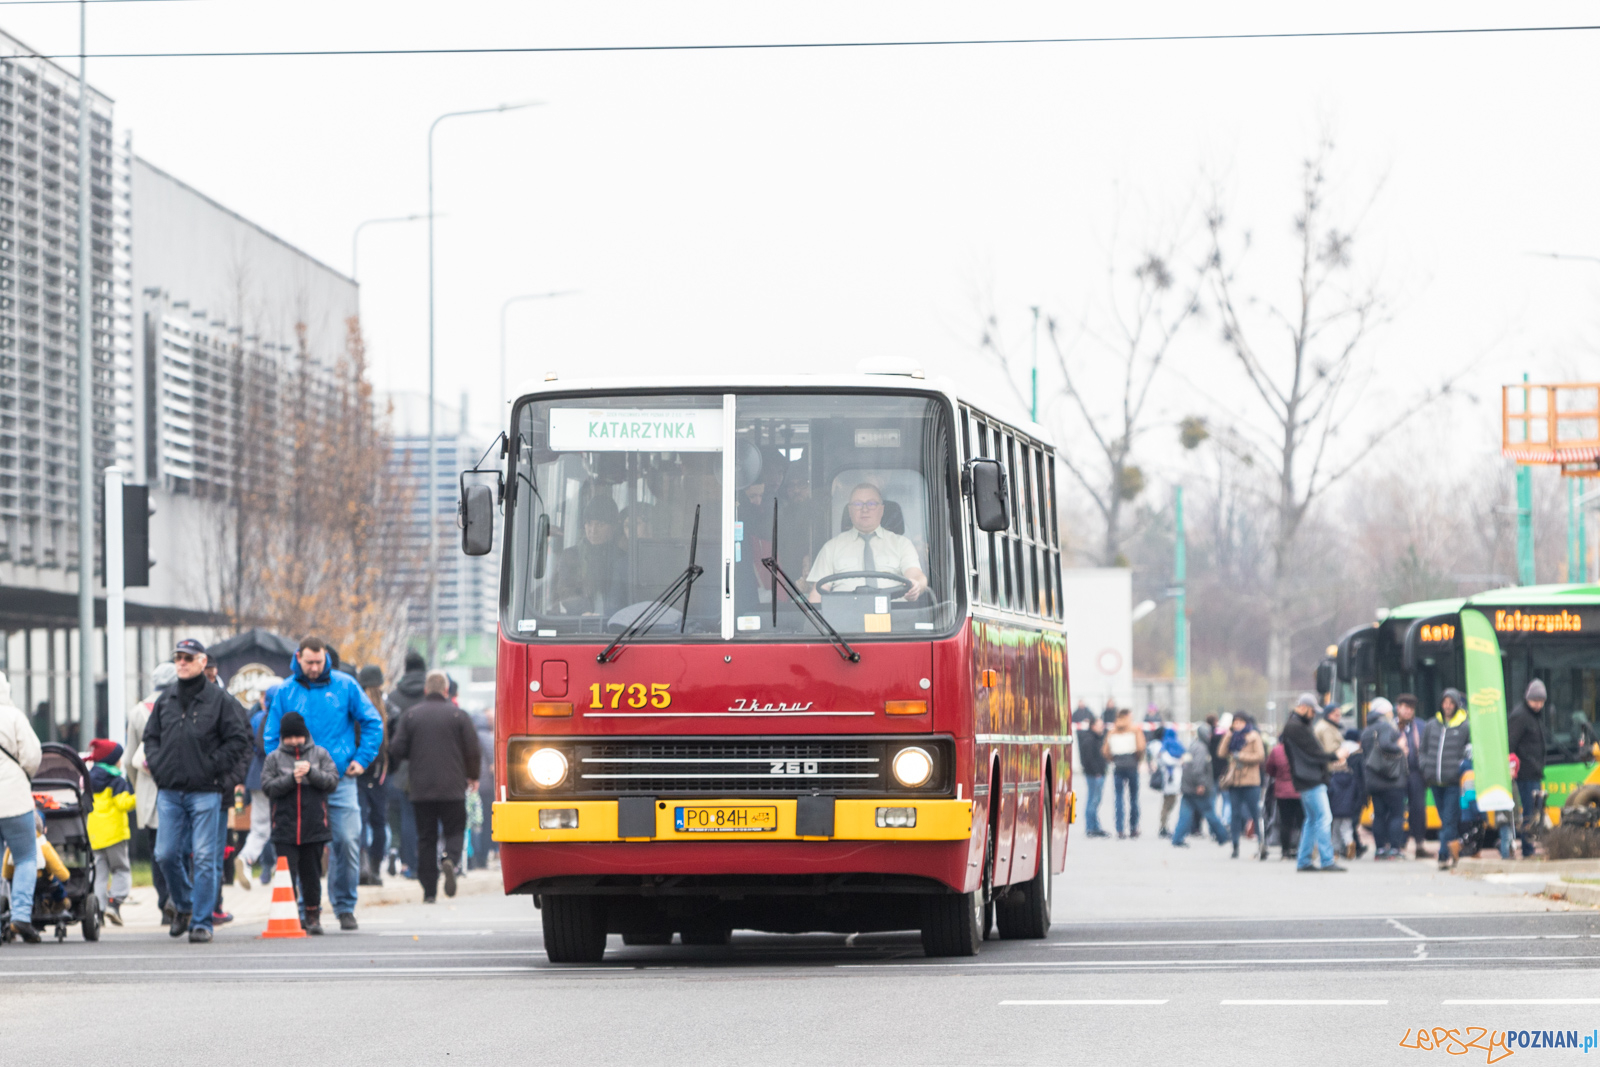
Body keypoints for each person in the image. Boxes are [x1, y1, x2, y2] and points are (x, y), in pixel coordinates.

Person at [264, 636, 383, 932]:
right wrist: (280, 769)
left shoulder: (345, 685)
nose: (315, 667)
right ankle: (307, 909)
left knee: (348, 841)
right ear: (298, 659)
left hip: (338, 777)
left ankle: (344, 906)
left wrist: (362, 759)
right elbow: (270, 735)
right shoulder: (286, 691)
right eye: (309, 662)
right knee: (304, 847)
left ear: (325, 659)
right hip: (300, 782)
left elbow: (372, 721)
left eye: (319, 662)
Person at [142, 638, 250, 942]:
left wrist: (213, 769)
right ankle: (185, 905)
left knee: (204, 857)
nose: (182, 662)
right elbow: (151, 737)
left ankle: (202, 921)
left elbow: (238, 741)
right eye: (178, 657)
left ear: (203, 662)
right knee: (165, 854)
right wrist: (158, 764)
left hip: (206, 791)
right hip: (170, 790)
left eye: (188, 657)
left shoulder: (220, 700)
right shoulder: (167, 699)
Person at [388, 670, 482, 903]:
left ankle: (429, 891)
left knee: (426, 838)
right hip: (452, 787)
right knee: (454, 830)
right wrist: (472, 776)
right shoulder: (459, 716)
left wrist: (400, 764)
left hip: (421, 788)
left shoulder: (411, 716)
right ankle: (450, 858)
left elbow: (397, 749)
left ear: (425, 690)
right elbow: (472, 749)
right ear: (447, 690)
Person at [261, 711, 340, 935]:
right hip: (284, 827)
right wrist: (289, 779)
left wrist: (312, 774)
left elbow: (332, 781)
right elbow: (268, 787)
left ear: (305, 735)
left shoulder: (320, 754)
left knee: (311, 873)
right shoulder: (274, 758)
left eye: (298, 736)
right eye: (289, 737)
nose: (295, 741)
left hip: (314, 826)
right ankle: (291, 913)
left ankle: (313, 914)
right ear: (282, 737)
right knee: (287, 873)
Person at [806, 483, 928, 601]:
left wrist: (916, 586)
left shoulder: (902, 544)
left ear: (881, 510)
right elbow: (818, 593)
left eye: (871, 503)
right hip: (845, 618)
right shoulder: (831, 548)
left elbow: (916, 576)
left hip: (896, 618)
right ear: (850, 510)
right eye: (858, 504)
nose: (865, 509)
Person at [125, 661, 177, 921]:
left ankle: (164, 902)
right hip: (178, 786)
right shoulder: (181, 705)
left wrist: (138, 788)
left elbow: (128, 759)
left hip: (149, 790)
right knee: (179, 847)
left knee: (157, 849)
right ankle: (179, 898)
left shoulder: (137, 712)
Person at [0, 670, 44, 942]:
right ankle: (20, 916)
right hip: (14, 798)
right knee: (26, 857)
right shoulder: (14, 717)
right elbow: (32, 755)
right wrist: (24, 774)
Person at [1282, 692, 1342, 872]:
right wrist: (1335, 756)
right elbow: (1313, 753)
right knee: (1324, 818)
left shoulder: (1294, 725)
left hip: (1304, 779)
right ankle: (1326, 860)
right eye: (1312, 711)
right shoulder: (1297, 727)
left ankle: (1304, 860)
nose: (1314, 714)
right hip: (1310, 778)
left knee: (1311, 820)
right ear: (1302, 708)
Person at [85, 738, 136, 925]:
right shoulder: (116, 780)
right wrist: (137, 797)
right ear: (112, 761)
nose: (121, 762)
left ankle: (98, 910)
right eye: (119, 759)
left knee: (100, 873)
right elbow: (124, 804)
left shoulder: (90, 779)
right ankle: (114, 903)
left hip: (95, 835)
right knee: (121, 869)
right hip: (114, 835)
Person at [1422, 687, 1471, 870]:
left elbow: (1469, 751)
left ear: (1456, 705)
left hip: (1453, 782)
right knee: (1446, 820)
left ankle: (1443, 856)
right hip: (1435, 781)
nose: (1447, 706)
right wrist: (1425, 767)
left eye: (1451, 703)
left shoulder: (1464, 726)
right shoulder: (1431, 725)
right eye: (1445, 702)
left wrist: (1460, 767)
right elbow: (1423, 750)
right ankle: (1455, 851)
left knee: (1449, 819)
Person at [555, 493, 629, 616]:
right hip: (580, 623)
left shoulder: (623, 557)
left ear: (614, 526)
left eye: (600, 524)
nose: (593, 530)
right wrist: (585, 611)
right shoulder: (570, 555)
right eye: (589, 523)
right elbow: (565, 591)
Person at [1361, 697, 1408, 860]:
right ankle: (1395, 849)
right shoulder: (1385, 726)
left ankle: (1380, 849)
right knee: (1396, 814)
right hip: (1391, 780)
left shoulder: (1367, 730)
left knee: (1379, 815)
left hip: (1373, 780)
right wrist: (1400, 747)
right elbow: (1386, 744)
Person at [1506, 679, 1548, 859]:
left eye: (1541, 701)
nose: (1538, 705)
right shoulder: (1521, 715)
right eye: (1535, 701)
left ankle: (1529, 846)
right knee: (1528, 812)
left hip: (1533, 771)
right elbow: (1511, 744)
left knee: (1533, 811)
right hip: (1524, 773)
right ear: (1528, 699)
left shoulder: (1533, 715)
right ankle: (1527, 849)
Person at [357, 665, 391, 886]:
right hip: (380, 773)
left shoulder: (356, 707)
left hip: (358, 771)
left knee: (359, 821)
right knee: (379, 821)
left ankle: (362, 866)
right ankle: (376, 868)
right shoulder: (388, 710)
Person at [1172, 723, 1229, 847]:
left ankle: (1177, 838)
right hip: (1197, 789)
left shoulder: (1193, 746)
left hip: (1188, 788)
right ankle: (1223, 836)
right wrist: (1201, 784)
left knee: (1185, 815)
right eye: (1208, 733)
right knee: (1209, 812)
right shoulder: (1201, 749)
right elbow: (1198, 769)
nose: (1209, 736)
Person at [1220, 714, 1265, 859]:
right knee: (1235, 814)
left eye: (1240, 722)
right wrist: (1228, 735)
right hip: (1235, 782)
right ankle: (1235, 845)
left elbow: (1260, 756)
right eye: (1235, 722)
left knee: (1255, 813)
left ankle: (1261, 844)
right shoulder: (1232, 737)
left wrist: (1241, 756)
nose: (1237, 725)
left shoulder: (1254, 736)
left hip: (1251, 781)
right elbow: (1221, 753)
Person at [1102, 708, 1145, 839]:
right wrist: (1137, 759)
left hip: (1118, 766)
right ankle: (1133, 828)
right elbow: (1141, 747)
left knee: (1119, 798)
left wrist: (1113, 759)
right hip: (1132, 764)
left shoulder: (1112, 731)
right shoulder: (1135, 730)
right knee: (1133, 798)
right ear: (1127, 716)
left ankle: (1120, 829)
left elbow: (1105, 751)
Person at [1395, 693, 1429, 860]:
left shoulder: (1421, 726)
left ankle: (1419, 844)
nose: (1408, 712)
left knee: (1418, 809)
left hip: (1416, 773)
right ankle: (1399, 844)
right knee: (1398, 809)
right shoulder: (1391, 726)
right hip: (1396, 774)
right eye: (1405, 708)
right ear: (1398, 708)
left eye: (1411, 709)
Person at [1073, 702, 1109, 837]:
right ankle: (1091, 827)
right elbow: (1088, 760)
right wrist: (1097, 772)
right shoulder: (1089, 740)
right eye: (1100, 725)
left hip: (1098, 774)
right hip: (1094, 775)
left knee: (1096, 800)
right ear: (1093, 726)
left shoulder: (1098, 738)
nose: (1102, 728)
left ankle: (1095, 825)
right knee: (1092, 800)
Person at [1264, 737, 1302, 860]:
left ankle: (1285, 851)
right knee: (1302, 821)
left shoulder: (1276, 750)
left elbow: (1269, 769)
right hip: (1300, 789)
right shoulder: (1301, 749)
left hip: (1282, 791)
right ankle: (1301, 848)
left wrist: (1279, 776)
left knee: (1285, 822)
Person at [1157, 727, 1184, 837]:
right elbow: (1167, 760)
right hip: (1170, 780)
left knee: (1169, 803)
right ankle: (1163, 826)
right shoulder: (1167, 747)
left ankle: (1164, 825)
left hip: (1172, 780)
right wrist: (1179, 761)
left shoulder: (1165, 746)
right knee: (1167, 804)